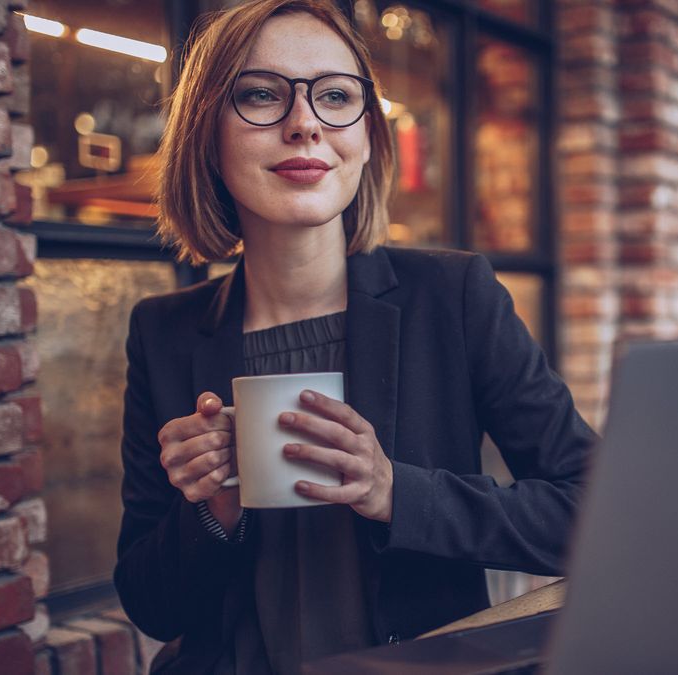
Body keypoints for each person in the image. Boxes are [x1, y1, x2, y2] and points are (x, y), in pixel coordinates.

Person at [112, 1, 597, 672]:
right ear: (206, 131)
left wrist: (397, 491)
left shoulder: (452, 298)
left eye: (336, 96)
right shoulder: (162, 333)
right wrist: (216, 511)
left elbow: (596, 515)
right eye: (260, 95)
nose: (305, 124)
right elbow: (150, 604)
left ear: (367, 134)